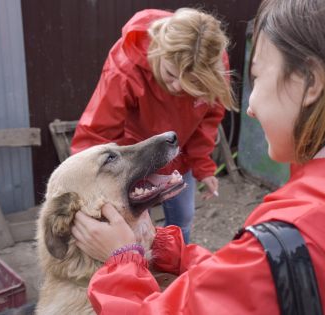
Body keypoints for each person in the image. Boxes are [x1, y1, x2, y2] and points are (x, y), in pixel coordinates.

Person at [71, 0, 325, 314]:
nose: (253, 107)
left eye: (257, 77)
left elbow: (259, 274)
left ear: (309, 82)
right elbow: (258, 283)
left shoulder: (289, 242)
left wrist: (122, 260)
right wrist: (170, 250)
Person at [70, 8, 237, 244]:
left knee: (183, 219)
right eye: (170, 73)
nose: (179, 87)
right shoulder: (126, 64)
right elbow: (97, 131)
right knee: (135, 231)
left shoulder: (212, 65)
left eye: (192, 82)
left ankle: (176, 264)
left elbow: (207, 120)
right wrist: (86, 186)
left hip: (179, 157)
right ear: (158, 50)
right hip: (134, 160)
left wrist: (203, 165)